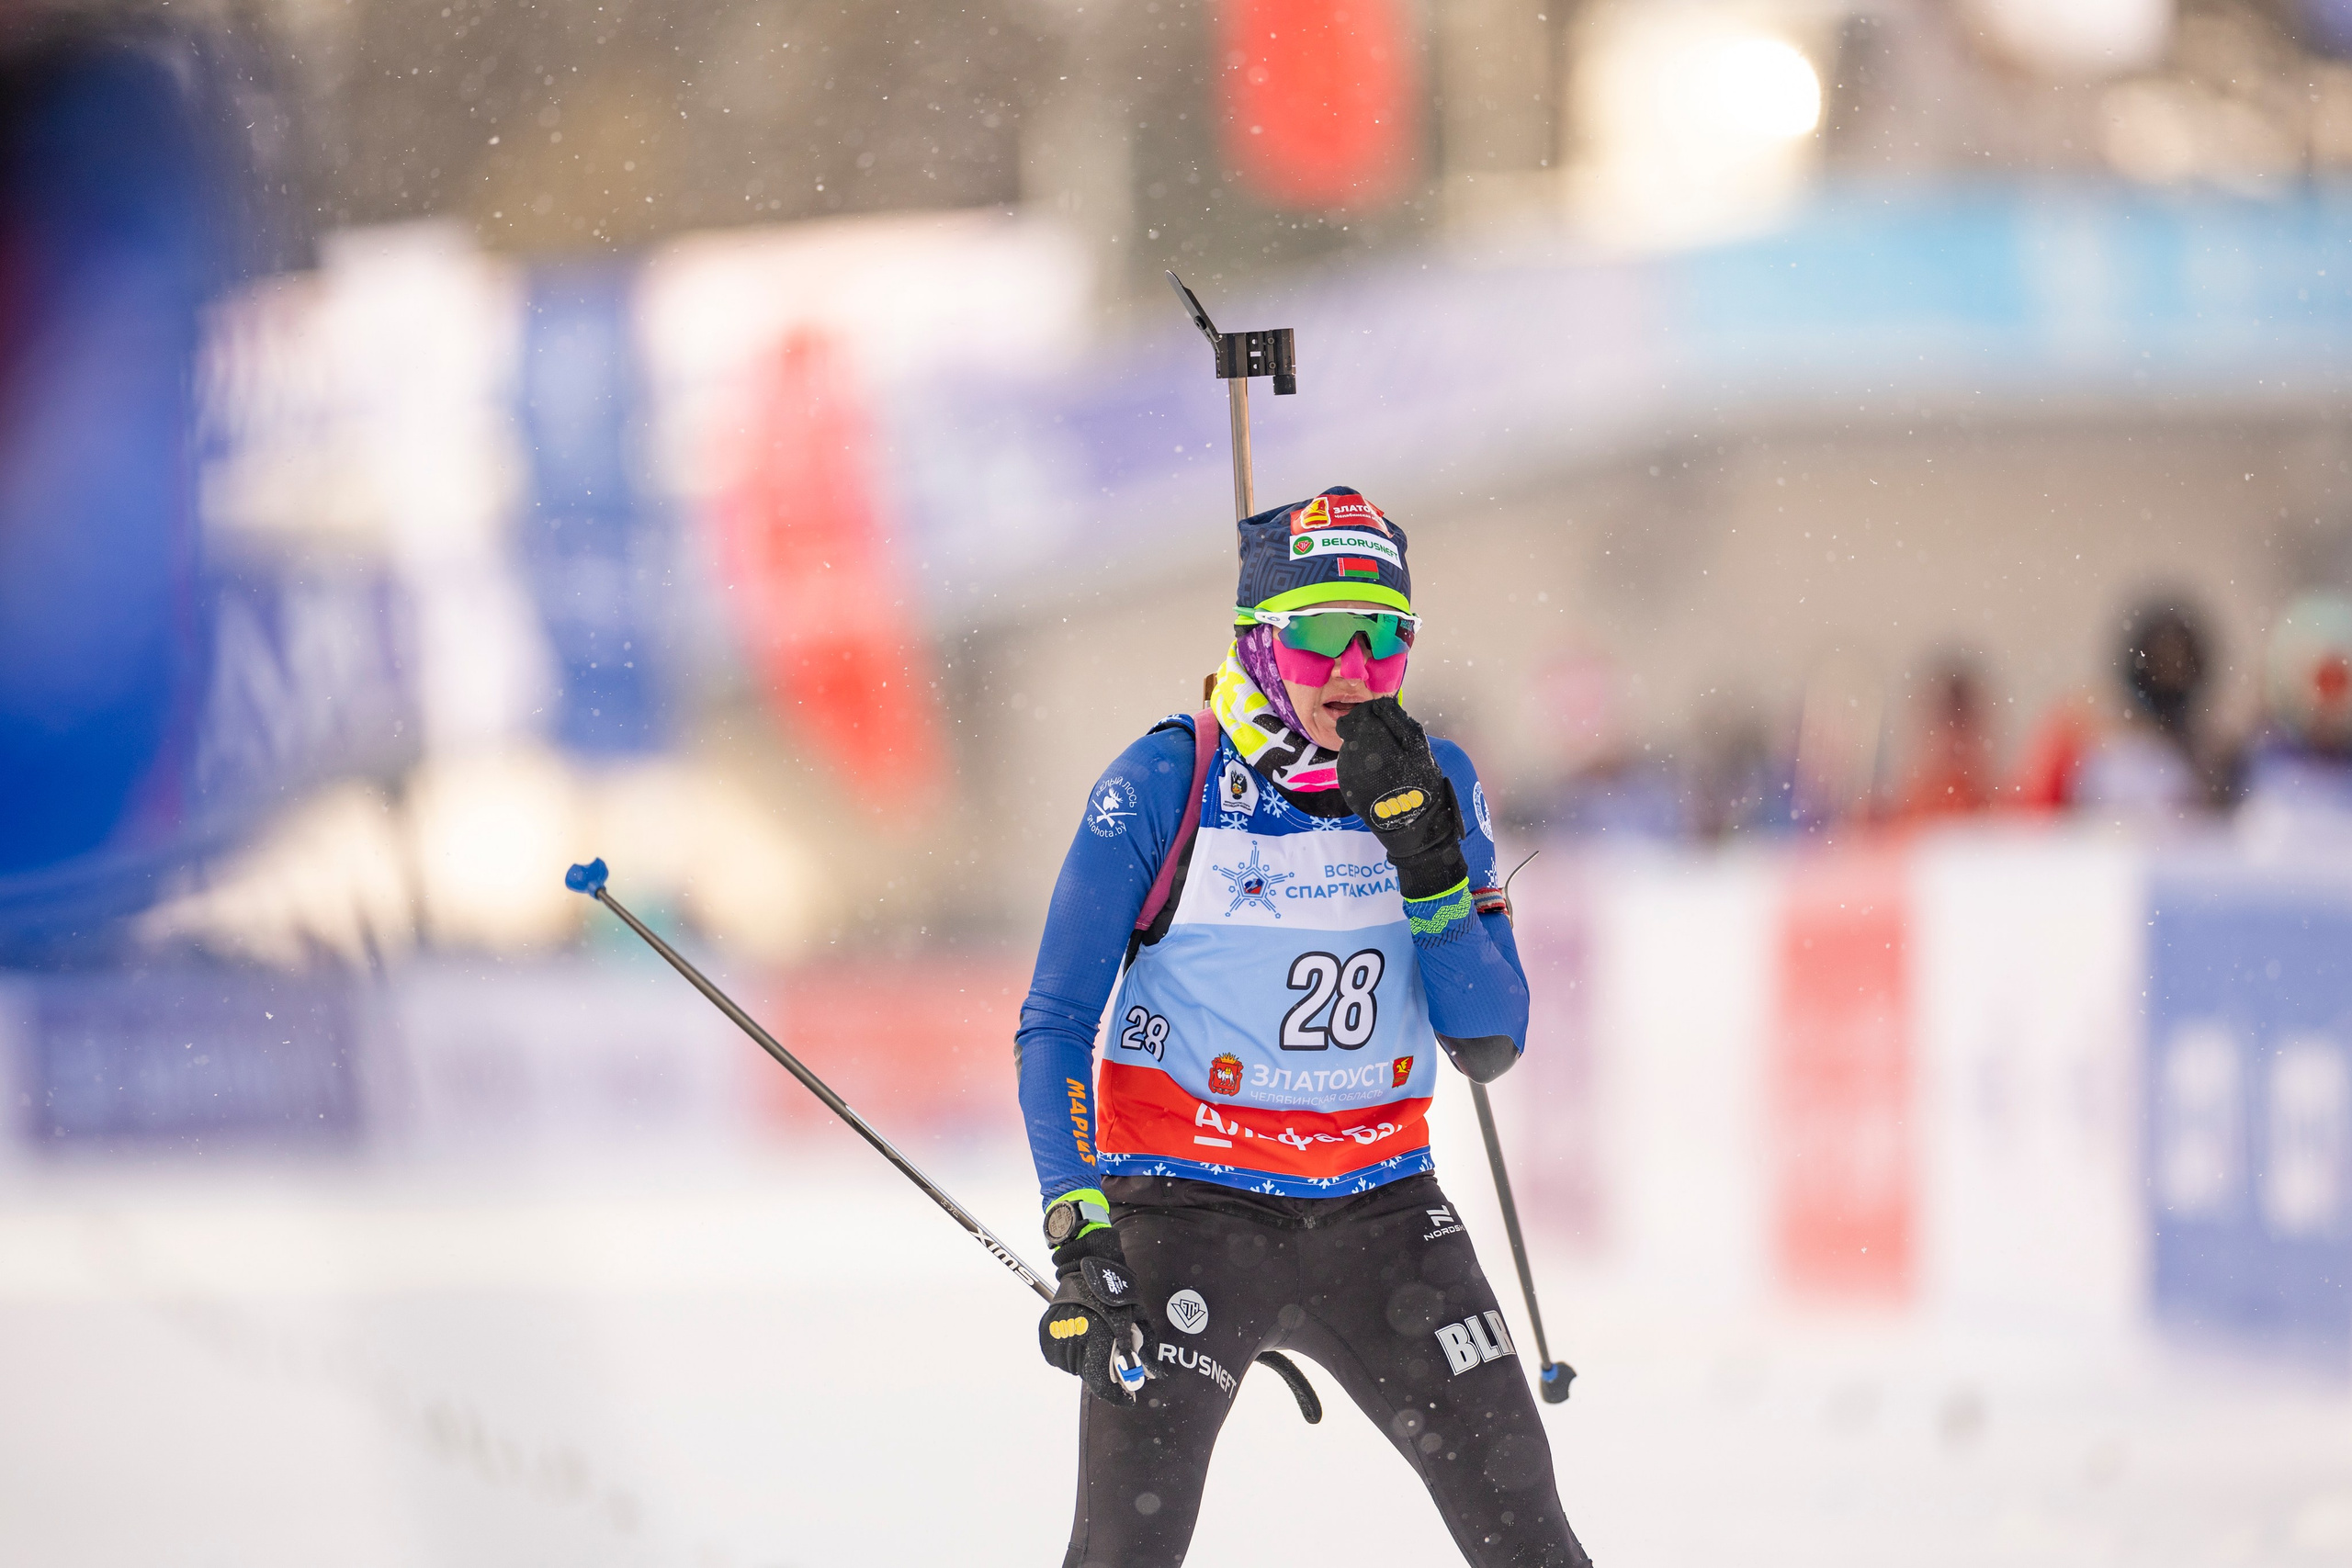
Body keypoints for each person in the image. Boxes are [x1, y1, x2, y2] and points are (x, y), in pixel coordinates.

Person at [1013, 486, 1590, 1568]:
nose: (1353, 670)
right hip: (1187, 1218)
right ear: (1260, 643)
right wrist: (1080, 1228)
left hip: (1385, 1221)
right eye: (1322, 634)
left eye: (1386, 639)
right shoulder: (1167, 779)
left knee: (1533, 1548)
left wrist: (1426, 865)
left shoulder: (1437, 782)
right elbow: (1053, 1025)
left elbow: (1489, 1041)